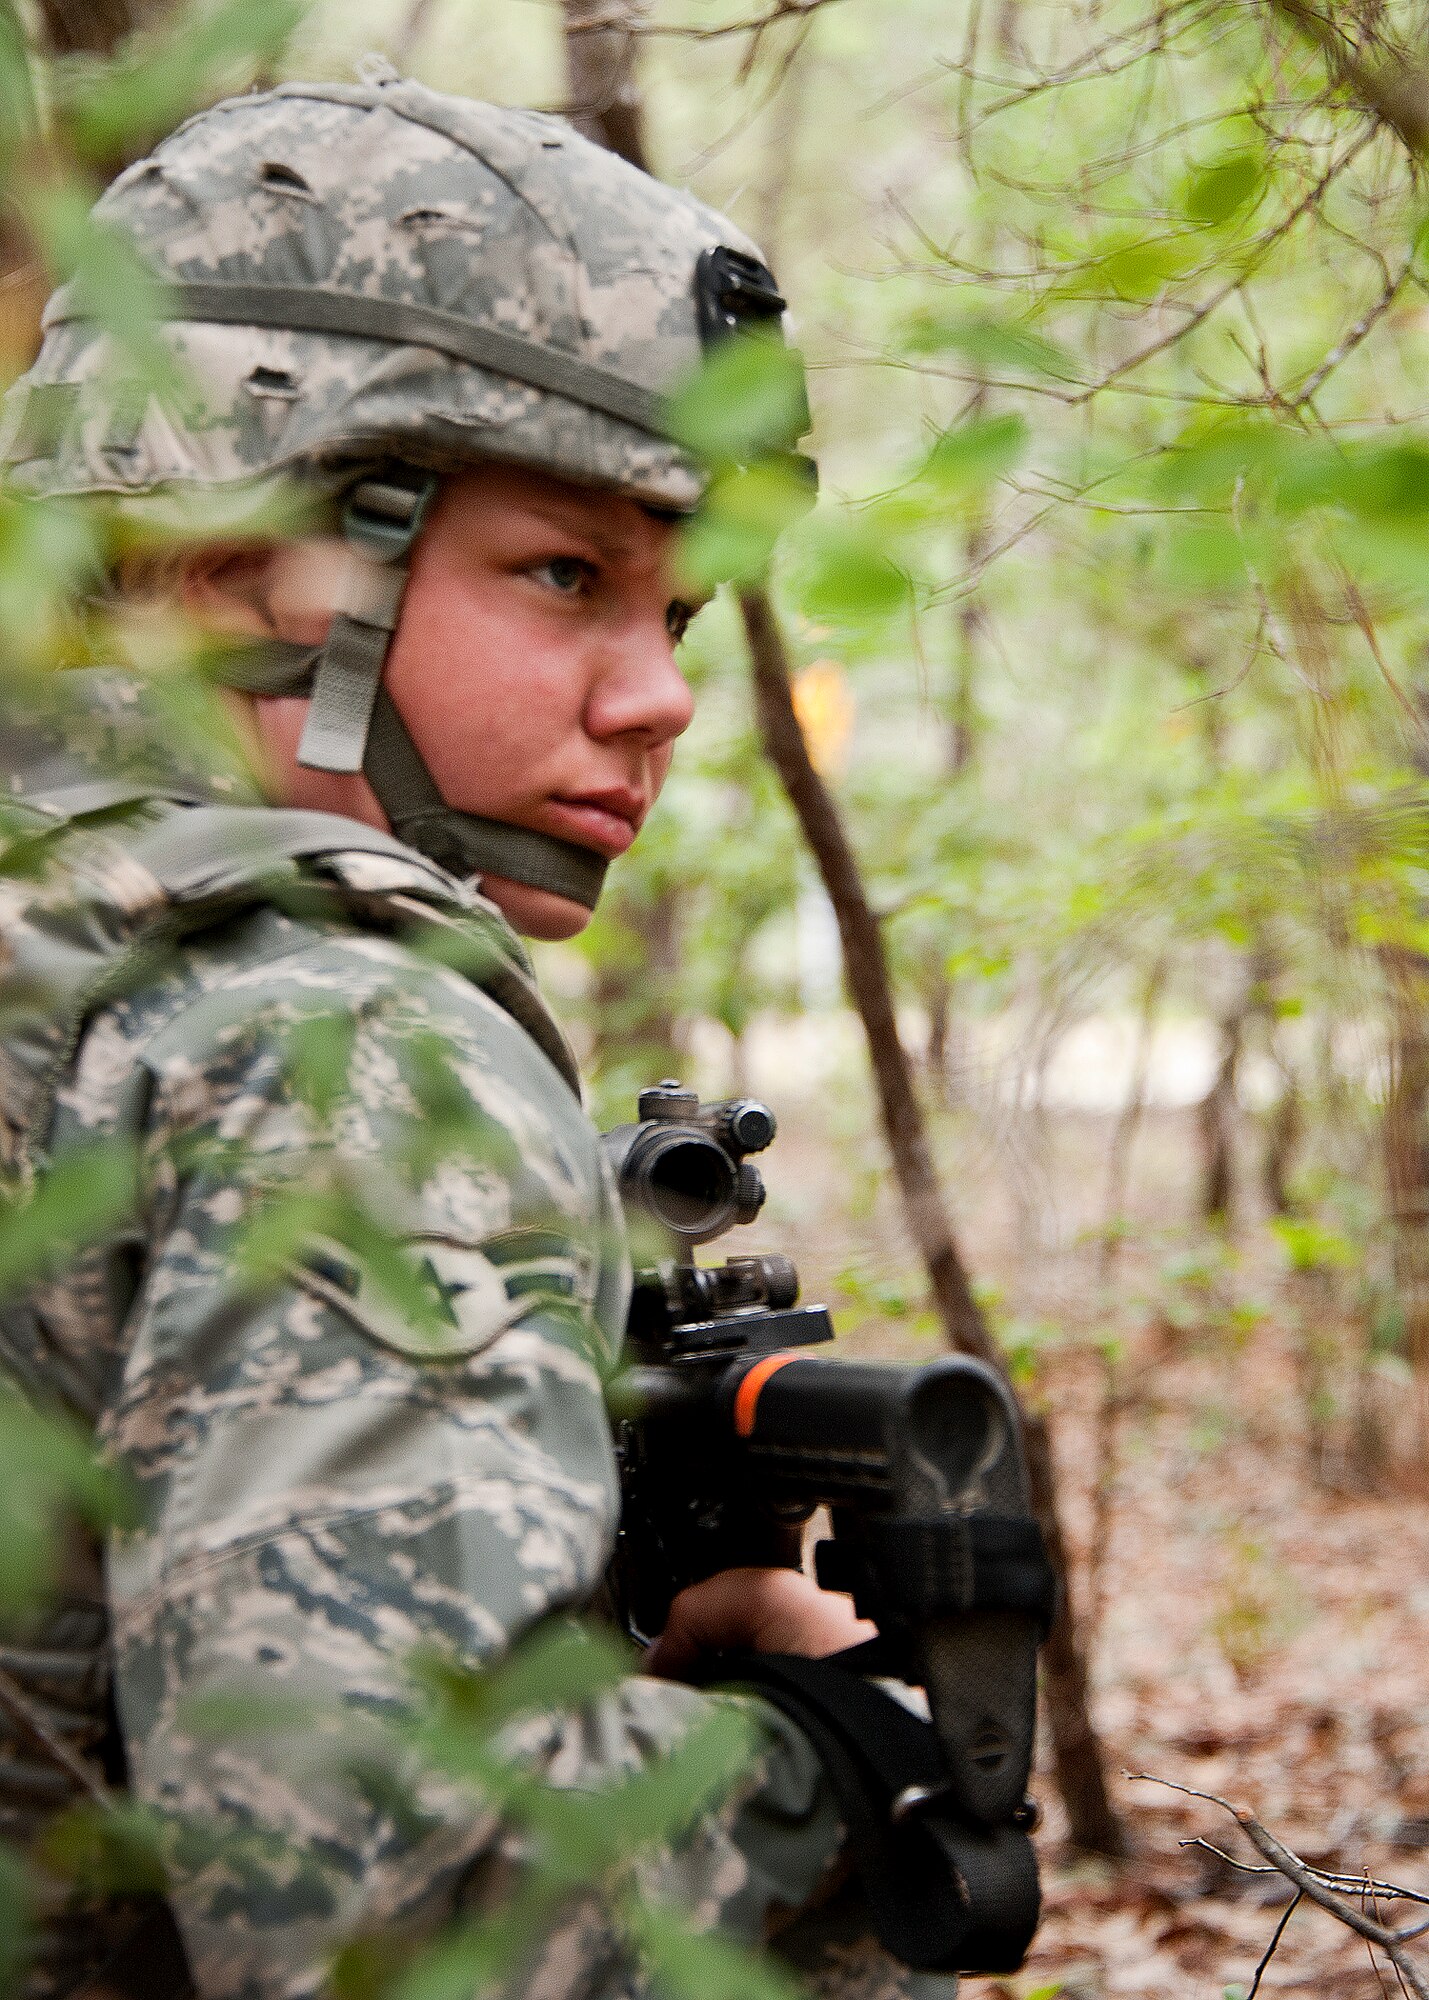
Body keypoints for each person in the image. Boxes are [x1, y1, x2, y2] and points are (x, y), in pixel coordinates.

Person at [0, 64, 955, 2000]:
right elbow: (401, 1913)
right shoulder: (334, 1034)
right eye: (562, 576)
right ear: (231, 557)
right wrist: (837, 1770)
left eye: (677, 614)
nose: (658, 698)